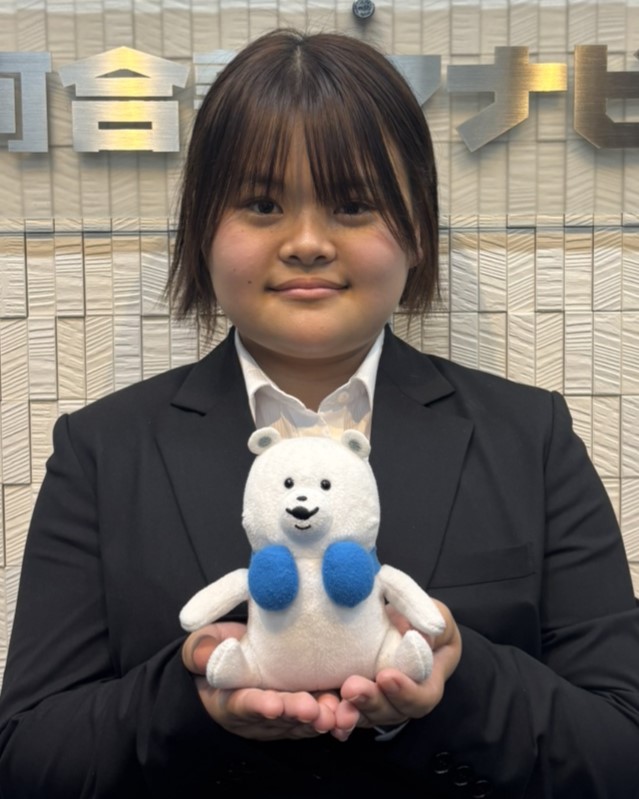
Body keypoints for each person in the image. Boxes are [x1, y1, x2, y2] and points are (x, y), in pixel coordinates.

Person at [1, 28, 638, 799]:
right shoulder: (103, 451)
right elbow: (28, 758)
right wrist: (191, 698)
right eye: (261, 204)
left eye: (353, 203)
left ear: (417, 227)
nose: (306, 242)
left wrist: (455, 677)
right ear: (202, 227)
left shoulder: (528, 437)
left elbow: (619, 748)